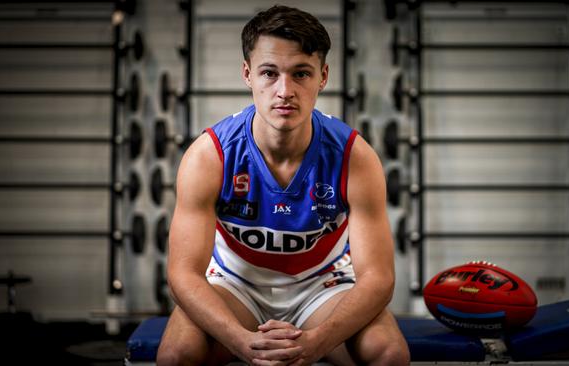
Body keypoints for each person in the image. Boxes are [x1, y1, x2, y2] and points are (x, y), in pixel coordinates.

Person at [157, 5, 410, 365]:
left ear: (323, 77)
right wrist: (242, 342)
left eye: (301, 74)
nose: (284, 90)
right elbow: (183, 273)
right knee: (176, 355)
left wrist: (317, 343)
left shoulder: (355, 156)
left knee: (389, 353)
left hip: (322, 286)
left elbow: (378, 278)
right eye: (269, 73)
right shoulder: (209, 156)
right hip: (235, 284)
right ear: (248, 75)